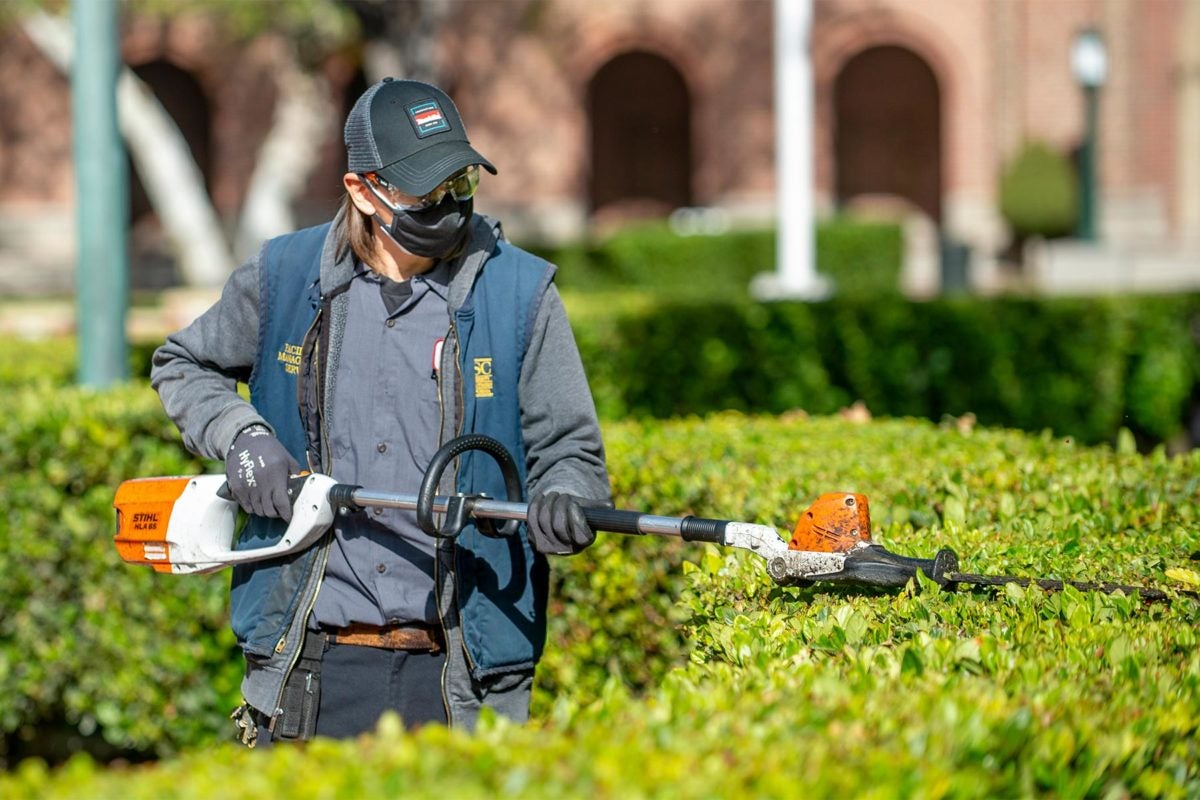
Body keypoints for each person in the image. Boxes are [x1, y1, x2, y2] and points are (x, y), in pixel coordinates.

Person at [150, 77, 611, 746]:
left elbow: (571, 450)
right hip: (310, 663)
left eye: (460, 182)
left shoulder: (522, 293)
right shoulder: (284, 276)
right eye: (426, 192)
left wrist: (566, 497)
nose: (449, 205)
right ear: (363, 191)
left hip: (462, 676)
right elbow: (181, 363)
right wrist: (242, 434)